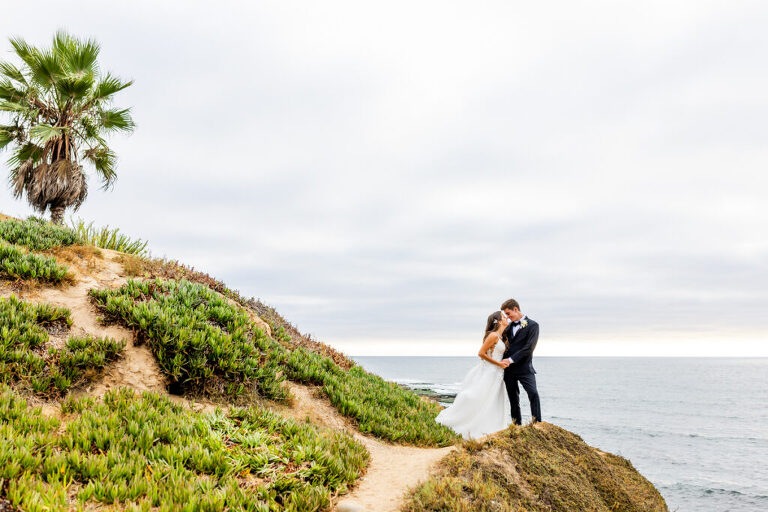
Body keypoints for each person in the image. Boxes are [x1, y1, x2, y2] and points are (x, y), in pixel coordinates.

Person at [435, 311, 512, 439]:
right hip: (490, 372)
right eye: (504, 317)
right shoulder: (493, 335)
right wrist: (498, 364)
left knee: (492, 400)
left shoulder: (501, 336)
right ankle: (469, 424)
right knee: (481, 398)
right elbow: (481, 353)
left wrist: (502, 362)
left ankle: (490, 426)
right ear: (498, 321)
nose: (506, 318)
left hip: (497, 373)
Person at [500, 298, 541, 424]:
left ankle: (537, 423)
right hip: (508, 370)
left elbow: (529, 348)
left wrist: (511, 360)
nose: (507, 317)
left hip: (525, 368)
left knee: (533, 394)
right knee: (513, 399)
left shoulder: (533, 325)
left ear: (516, 309)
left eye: (508, 313)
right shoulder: (507, 327)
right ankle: (516, 425)